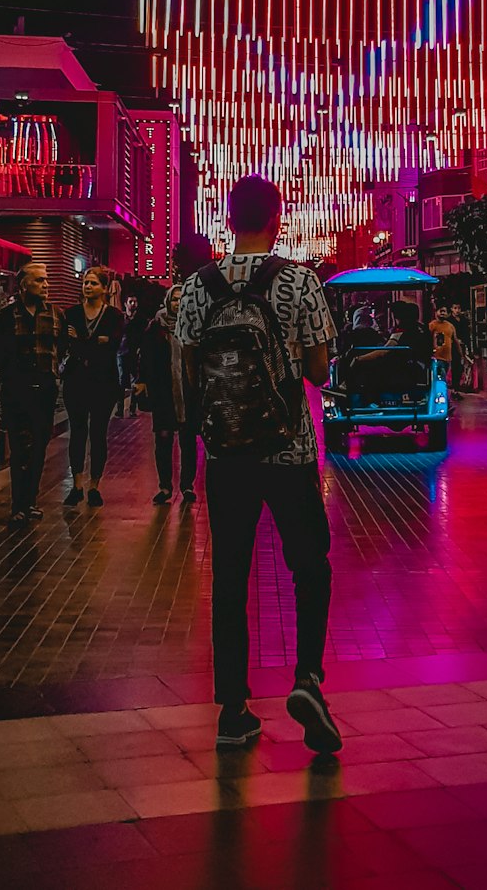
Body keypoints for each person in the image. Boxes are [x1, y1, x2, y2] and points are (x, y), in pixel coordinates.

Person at [176, 173, 342, 756]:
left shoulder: (197, 287)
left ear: (226, 219)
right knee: (309, 566)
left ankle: (233, 710)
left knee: (230, 576)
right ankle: (308, 681)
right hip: (289, 452)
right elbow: (320, 372)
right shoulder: (299, 281)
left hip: (225, 457)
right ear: (278, 219)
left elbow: (188, 375)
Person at [0, 261, 65, 527]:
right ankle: (18, 504)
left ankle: (31, 500)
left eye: (46, 280)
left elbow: (62, 347)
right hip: (16, 390)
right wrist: (12, 369)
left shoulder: (55, 315)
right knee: (20, 448)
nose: (45, 285)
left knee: (40, 446)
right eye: (39, 280)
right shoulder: (5, 317)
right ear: (23, 285)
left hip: (45, 390)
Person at [147, 234, 213, 505]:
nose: (177, 303)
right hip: (164, 393)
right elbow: (147, 361)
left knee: (188, 443)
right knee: (163, 440)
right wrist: (145, 386)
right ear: (168, 301)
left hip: (189, 393)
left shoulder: (195, 326)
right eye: (174, 299)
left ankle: (186, 485)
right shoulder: (156, 327)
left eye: (181, 299)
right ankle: (164, 486)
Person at [60, 266, 126, 508]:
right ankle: (76, 485)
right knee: (77, 432)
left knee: (98, 433)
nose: (88, 287)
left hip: (104, 382)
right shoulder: (71, 313)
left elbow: (112, 345)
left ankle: (94, 486)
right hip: (75, 381)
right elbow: (69, 344)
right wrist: (93, 343)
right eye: (86, 283)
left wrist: (81, 341)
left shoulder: (115, 316)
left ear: (104, 288)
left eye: (94, 283)